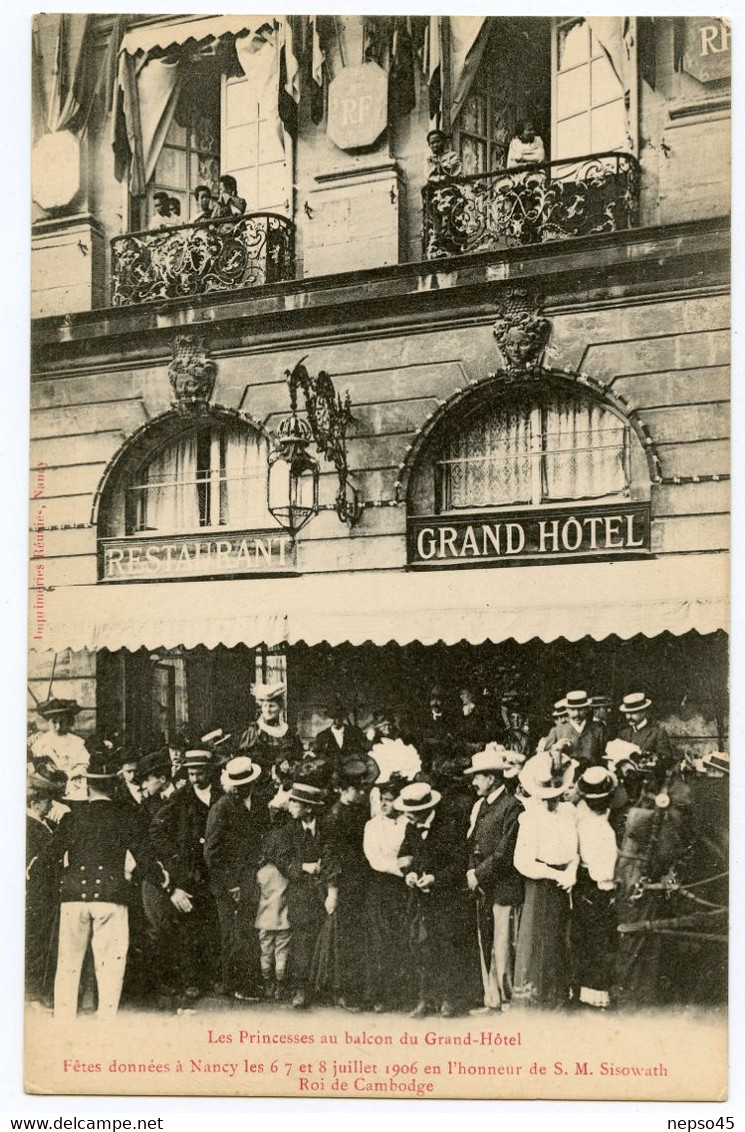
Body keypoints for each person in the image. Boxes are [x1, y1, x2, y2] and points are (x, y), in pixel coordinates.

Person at [51, 742, 172, 1021]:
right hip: (111, 897)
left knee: (68, 965)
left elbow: (49, 859)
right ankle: (106, 1025)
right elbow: (144, 858)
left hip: (72, 899)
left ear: (88, 784)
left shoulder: (71, 817)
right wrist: (164, 882)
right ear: (114, 783)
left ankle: (63, 1025)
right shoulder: (125, 816)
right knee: (110, 967)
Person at [149, 748, 223, 1004]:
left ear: (209, 771)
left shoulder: (221, 795)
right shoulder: (180, 798)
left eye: (199, 772)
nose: (194, 777)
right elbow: (157, 832)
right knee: (191, 928)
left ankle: (216, 976)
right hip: (189, 873)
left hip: (215, 871)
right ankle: (192, 980)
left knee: (215, 923)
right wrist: (176, 860)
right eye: (190, 772)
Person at [513, 749, 579, 1008]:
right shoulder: (529, 818)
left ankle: (558, 999)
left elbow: (574, 851)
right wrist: (556, 874)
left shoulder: (569, 812)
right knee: (539, 942)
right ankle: (537, 1003)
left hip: (564, 885)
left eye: (556, 792)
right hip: (540, 887)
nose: (551, 799)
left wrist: (571, 872)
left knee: (560, 942)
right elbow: (523, 862)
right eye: (545, 794)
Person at [397, 781, 470, 1018]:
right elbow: (404, 855)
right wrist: (408, 874)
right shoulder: (412, 827)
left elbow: (460, 864)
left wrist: (434, 878)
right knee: (423, 949)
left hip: (448, 900)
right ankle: (426, 999)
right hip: (421, 900)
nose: (409, 818)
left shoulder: (450, 824)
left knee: (448, 948)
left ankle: (450, 1000)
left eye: (413, 814)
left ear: (425, 810)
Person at [464, 745, 525, 1014]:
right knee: (485, 941)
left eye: (478, 776)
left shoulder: (513, 807)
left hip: (504, 887)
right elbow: (473, 842)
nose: (474, 782)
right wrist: (470, 871)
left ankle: (508, 1000)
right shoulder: (480, 806)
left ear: (492, 778)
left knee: (503, 945)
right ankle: (492, 999)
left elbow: (505, 852)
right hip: (482, 887)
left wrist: (478, 874)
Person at [204, 755, 267, 1001]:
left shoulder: (259, 804)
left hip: (251, 878)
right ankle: (234, 985)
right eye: (239, 786)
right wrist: (231, 884)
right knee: (233, 935)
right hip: (229, 884)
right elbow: (212, 852)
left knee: (248, 932)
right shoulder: (221, 808)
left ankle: (249, 983)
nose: (243, 790)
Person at [311, 759, 373, 1011]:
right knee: (342, 938)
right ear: (344, 789)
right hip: (343, 884)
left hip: (360, 880)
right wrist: (333, 892)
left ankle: (356, 988)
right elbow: (330, 856)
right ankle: (342, 991)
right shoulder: (334, 817)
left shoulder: (358, 811)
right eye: (356, 789)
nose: (361, 793)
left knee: (357, 935)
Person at [269, 781, 329, 1009]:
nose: (291, 804)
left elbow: (332, 851)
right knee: (303, 937)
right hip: (301, 891)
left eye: (296, 802)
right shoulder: (289, 830)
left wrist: (326, 868)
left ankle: (326, 986)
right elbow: (283, 861)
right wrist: (305, 867)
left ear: (309, 808)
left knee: (327, 934)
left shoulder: (327, 826)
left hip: (325, 888)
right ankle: (300, 988)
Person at [362, 774, 412, 1012]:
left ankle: (400, 995)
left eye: (390, 800)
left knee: (401, 938)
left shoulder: (407, 824)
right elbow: (375, 859)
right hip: (381, 887)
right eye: (382, 799)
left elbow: (411, 853)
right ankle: (379, 995)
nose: (384, 804)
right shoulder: (372, 826)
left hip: (403, 889)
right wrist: (399, 867)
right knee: (379, 942)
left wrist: (406, 867)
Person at [571, 766, 619, 1009]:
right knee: (599, 940)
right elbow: (606, 872)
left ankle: (582, 990)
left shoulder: (581, 818)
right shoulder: (604, 830)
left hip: (582, 883)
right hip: (598, 886)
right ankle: (596, 993)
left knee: (585, 938)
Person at [26, 762, 67, 1004]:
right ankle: (34, 992)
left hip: (47, 893)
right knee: (36, 940)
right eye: (46, 800)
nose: (50, 804)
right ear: (35, 802)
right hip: (38, 894)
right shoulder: (28, 827)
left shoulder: (45, 825)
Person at [239, 683, 304, 793]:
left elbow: (297, 757)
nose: (268, 710)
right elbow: (246, 761)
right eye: (265, 706)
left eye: (272, 706)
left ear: (280, 707)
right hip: (260, 787)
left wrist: (288, 768)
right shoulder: (254, 732)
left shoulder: (288, 732)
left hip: (286, 786)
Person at [254, 826, 292, 1000]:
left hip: (264, 920)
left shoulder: (261, 873)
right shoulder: (286, 874)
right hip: (283, 920)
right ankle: (280, 986)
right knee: (281, 952)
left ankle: (267, 983)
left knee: (265, 952)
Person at [30, 698, 89, 801]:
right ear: (48, 722)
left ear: (69, 721)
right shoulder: (41, 742)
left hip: (73, 784)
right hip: (47, 786)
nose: (58, 726)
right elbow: (35, 766)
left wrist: (69, 774)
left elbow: (83, 765)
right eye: (54, 722)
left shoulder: (77, 742)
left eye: (62, 722)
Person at [617, 692, 675, 780]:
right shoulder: (623, 733)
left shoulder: (657, 732)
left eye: (633, 713)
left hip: (649, 782)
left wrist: (649, 759)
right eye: (627, 713)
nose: (629, 716)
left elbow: (666, 759)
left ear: (644, 712)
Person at [311, 695, 370, 780]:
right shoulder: (322, 736)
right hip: (330, 780)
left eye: (339, 716)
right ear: (330, 717)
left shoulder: (355, 732)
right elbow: (318, 757)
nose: (337, 720)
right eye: (334, 717)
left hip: (354, 777)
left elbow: (364, 753)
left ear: (343, 716)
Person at [542, 690, 605, 768]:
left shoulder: (598, 729)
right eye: (572, 709)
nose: (576, 713)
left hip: (591, 776)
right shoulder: (557, 731)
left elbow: (603, 758)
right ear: (567, 709)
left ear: (587, 709)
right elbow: (544, 759)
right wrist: (555, 748)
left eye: (580, 709)